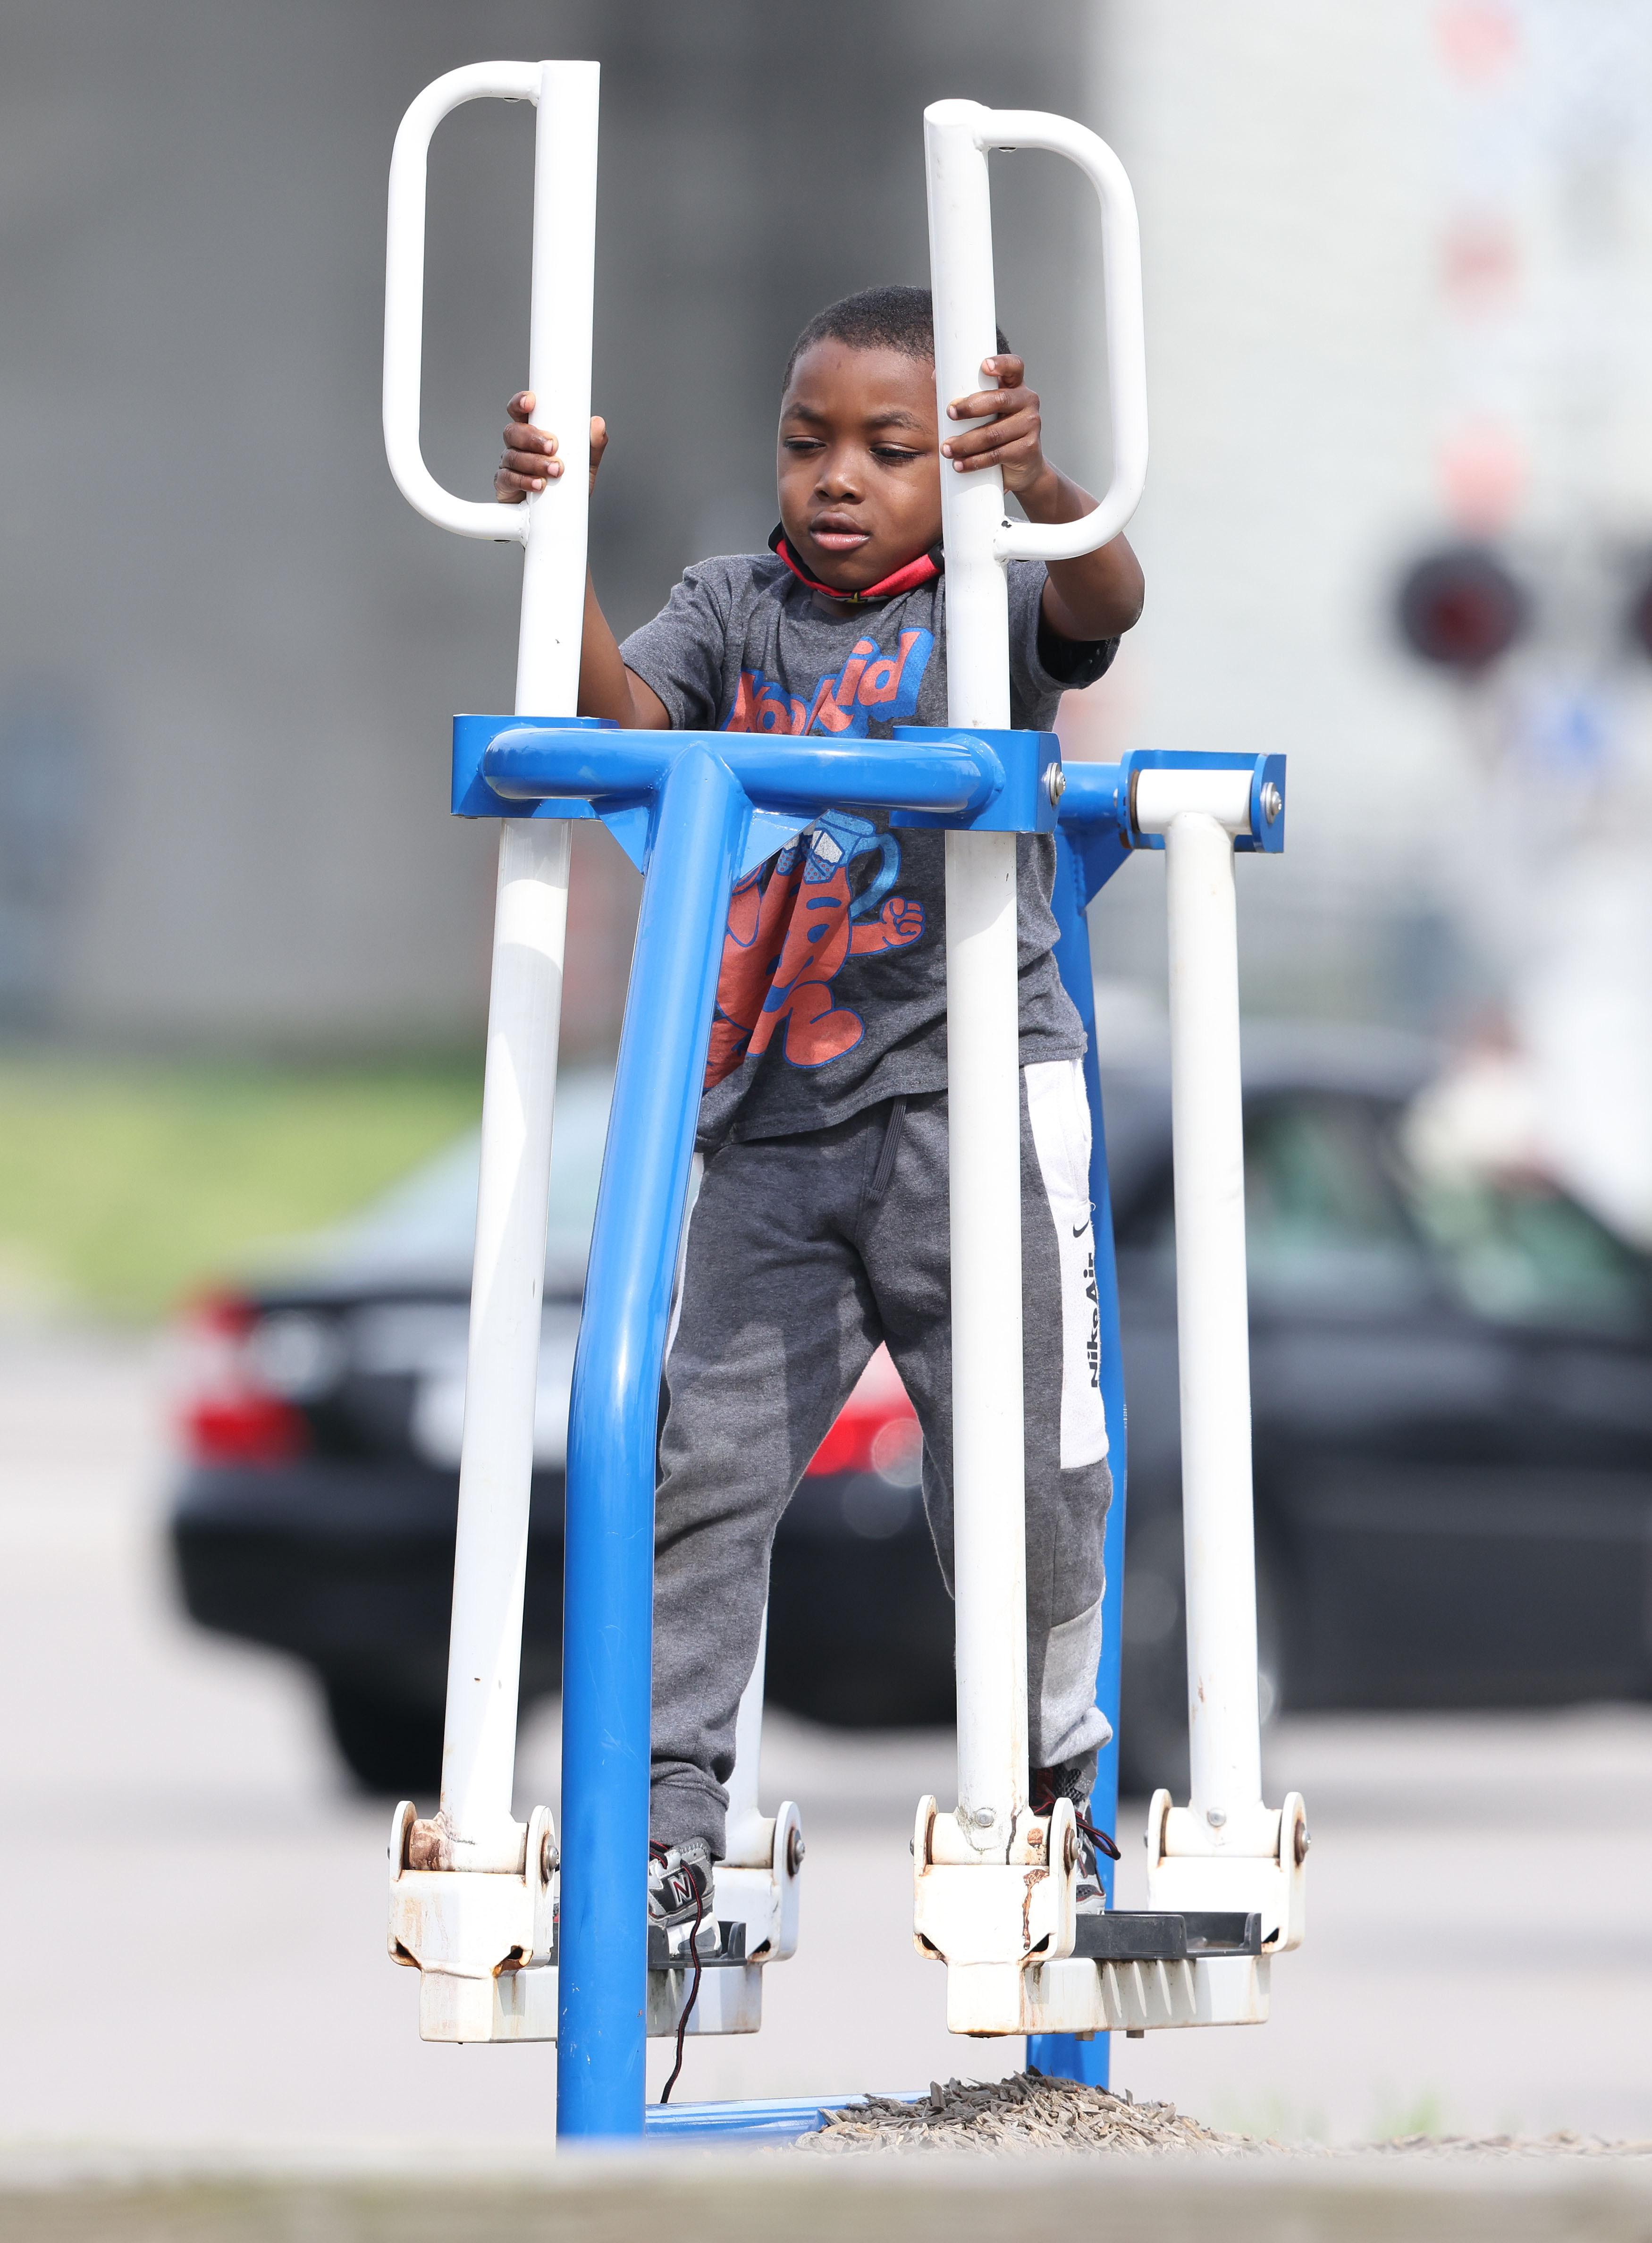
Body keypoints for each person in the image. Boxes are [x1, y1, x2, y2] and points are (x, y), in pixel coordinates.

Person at [495, 285, 1144, 1932]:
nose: (836, 478)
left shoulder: (990, 603)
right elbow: (616, 727)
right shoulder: (733, 609)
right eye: (806, 443)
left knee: (1023, 1461)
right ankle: (663, 1815)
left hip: (974, 1091)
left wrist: (1051, 488)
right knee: (698, 1465)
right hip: (772, 1120)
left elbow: (1108, 598)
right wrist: (554, 529)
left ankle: (1049, 1766)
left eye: (888, 448)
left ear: (960, 472)